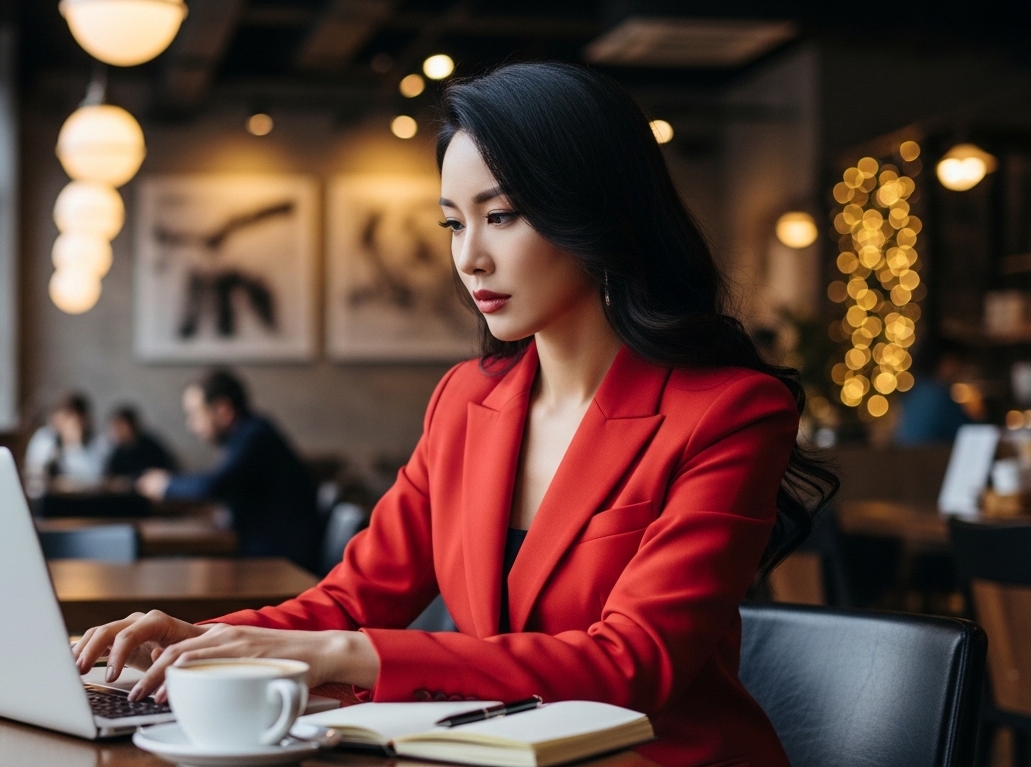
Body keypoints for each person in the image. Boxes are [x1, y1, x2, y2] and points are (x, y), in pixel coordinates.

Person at [74, 63, 837, 767]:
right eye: (452, 224)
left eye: (499, 216)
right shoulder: (465, 400)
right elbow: (351, 598)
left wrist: (345, 657)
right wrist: (194, 641)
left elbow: (628, 665)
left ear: (597, 214)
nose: (469, 257)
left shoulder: (729, 412)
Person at [135, 370, 321, 571]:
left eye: (196, 415)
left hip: (280, 564)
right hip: (269, 554)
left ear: (223, 410)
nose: (192, 425)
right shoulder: (249, 433)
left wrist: (164, 484)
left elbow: (213, 485)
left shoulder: (254, 436)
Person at [22, 393, 113, 499]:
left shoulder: (98, 443)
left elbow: (96, 478)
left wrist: (74, 445)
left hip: (88, 501)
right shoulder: (45, 439)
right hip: (52, 503)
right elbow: (35, 477)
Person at [895, 342, 975, 445]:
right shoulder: (939, 397)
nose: (960, 370)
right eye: (958, 364)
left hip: (907, 457)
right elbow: (968, 430)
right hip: (931, 458)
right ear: (946, 363)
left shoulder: (916, 392)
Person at [106, 405, 178, 480]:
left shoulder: (150, 446)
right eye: (115, 427)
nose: (117, 431)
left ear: (132, 426)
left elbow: (169, 470)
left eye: (121, 426)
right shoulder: (117, 452)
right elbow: (111, 477)